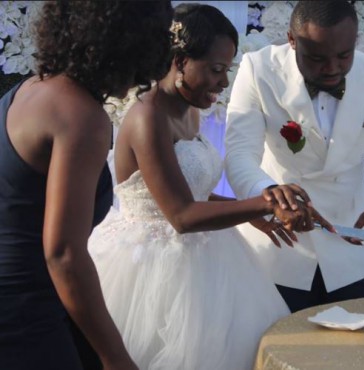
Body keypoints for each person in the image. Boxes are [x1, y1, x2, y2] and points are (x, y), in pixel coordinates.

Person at [87, 4, 330, 370]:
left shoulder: (189, 109)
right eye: (216, 70)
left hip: (207, 261)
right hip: (153, 272)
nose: (224, 82)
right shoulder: (148, 118)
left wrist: (249, 216)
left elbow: (191, 192)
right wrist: (263, 204)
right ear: (180, 61)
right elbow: (181, 215)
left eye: (227, 70)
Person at [0, 2, 174, 370]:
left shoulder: (31, 87)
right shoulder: (81, 117)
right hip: (24, 314)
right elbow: (63, 253)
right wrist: (115, 357)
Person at [224, 0, 364, 313]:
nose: (332, 68)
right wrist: (272, 200)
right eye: (318, 58)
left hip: (353, 252)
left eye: (343, 55)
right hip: (277, 249)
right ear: (291, 41)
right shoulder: (259, 70)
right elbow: (240, 156)